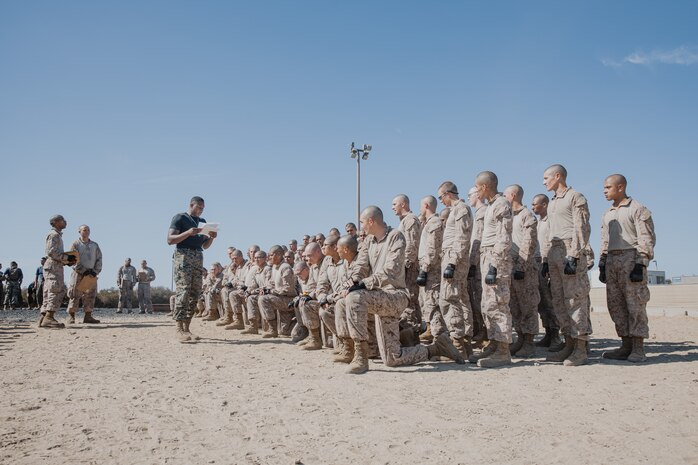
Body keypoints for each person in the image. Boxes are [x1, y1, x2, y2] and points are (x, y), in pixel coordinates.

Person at [340, 205, 464, 374]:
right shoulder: (368, 241)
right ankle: (436, 349)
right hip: (376, 296)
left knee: (355, 298)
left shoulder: (395, 237)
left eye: (362, 222)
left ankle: (361, 357)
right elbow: (361, 266)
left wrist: (364, 283)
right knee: (393, 358)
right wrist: (354, 280)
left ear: (371, 221)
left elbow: (391, 270)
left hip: (394, 296)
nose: (361, 226)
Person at [600, 174, 656, 363]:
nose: (605, 191)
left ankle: (638, 347)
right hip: (612, 261)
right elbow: (605, 240)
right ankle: (625, 345)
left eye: (608, 187)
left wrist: (641, 263)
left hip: (631, 259)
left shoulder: (637, 209)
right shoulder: (608, 213)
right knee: (616, 305)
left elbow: (646, 238)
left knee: (635, 305)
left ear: (621, 187)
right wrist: (602, 262)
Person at [541, 164, 593, 366]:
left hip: (569, 249)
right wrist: (545, 259)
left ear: (558, 176)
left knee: (575, 300)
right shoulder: (552, 203)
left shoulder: (575, 197)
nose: (544, 182)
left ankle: (580, 348)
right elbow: (549, 233)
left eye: (546, 178)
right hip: (554, 251)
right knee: (559, 301)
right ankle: (568, 344)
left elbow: (581, 227)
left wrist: (574, 255)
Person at [469, 171, 514, 368]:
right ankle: (494, 344)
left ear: (485, 187)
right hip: (487, 256)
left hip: (497, 259)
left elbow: (504, 237)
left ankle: (503, 351)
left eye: (477, 187)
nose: (476, 191)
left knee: (498, 304)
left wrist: (494, 265)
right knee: (488, 305)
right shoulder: (491, 206)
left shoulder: (502, 205)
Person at [167, 196, 217, 343]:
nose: (201, 210)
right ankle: (179, 329)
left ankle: (187, 328)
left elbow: (205, 246)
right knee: (183, 291)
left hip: (197, 256)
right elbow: (170, 239)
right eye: (199, 207)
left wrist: (212, 237)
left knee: (195, 292)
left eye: (203, 208)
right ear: (191, 205)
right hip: (183, 256)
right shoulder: (180, 218)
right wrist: (188, 232)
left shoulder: (202, 222)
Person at [437, 181, 474, 358]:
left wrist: (451, 262)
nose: (441, 200)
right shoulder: (456, 210)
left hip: (455, 258)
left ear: (447, 194)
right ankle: (464, 344)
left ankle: (458, 342)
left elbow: (462, 237)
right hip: (451, 257)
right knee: (459, 298)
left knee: (450, 299)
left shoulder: (461, 209)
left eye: (441, 197)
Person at [503, 185, 540, 358]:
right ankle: (520, 338)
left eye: (505, 195)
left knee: (528, 305)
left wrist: (521, 266)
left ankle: (529, 342)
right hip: (510, 266)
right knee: (515, 306)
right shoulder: (508, 216)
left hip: (523, 267)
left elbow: (529, 242)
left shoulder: (527, 216)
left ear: (513, 195)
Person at [415, 195, 450, 348]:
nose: (420, 209)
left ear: (427, 205)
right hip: (426, 268)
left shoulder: (435, 223)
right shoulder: (428, 223)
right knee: (427, 303)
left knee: (433, 303)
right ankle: (433, 334)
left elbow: (432, 249)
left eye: (421, 206)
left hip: (431, 270)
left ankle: (441, 341)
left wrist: (425, 269)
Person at [531, 194, 562, 349]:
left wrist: (548, 264)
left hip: (547, 263)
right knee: (541, 302)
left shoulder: (552, 221)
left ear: (544, 204)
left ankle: (556, 335)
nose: (532, 207)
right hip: (537, 263)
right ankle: (548, 333)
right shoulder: (537, 223)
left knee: (550, 302)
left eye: (535, 204)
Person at [39, 214, 76, 328]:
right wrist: (67, 258)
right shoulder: (54, 235)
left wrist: (67, 261)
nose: (65, 222)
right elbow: (52, 252)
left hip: (55, 266)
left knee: (49, 291)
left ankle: (44, 317)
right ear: (55, 222)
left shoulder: (57, 235)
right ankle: (49, 318)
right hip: (54, 267)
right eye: (62, 220)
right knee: (56, 290)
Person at [392, 194, 422, 326]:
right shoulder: (404, 221)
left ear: (403, 204)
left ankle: (412, 329)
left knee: (410, 298)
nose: (392, 207)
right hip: (405, 266)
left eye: (394, 204)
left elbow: (412, 244)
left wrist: (406, 265)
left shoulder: (410, 220)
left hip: (409, 267)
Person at [258, 245, 298, 338]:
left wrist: (272, 291)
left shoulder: (285, 267)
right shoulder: (275, 267)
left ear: (279, 255)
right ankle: (298, 323)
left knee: (263, 300)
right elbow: (272, 283)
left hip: (289, 300)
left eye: (271, 255)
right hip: (281, 298)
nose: (269, 257)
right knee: (284, 332)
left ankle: (272, 329)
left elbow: (288, 288)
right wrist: (265, 289)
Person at [67, 224, 103, 324]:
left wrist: (95, 271)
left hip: (91, 274)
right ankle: (71, 316)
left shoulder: (95, 245)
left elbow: (99, 258)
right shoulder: (75, 244)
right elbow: (72, 260)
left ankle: (88, 316)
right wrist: (82, 270)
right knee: (74, 294)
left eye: (88, 230)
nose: (86, 232)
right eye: (84, 230)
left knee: (90, 295)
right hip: (78, 273)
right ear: (79, 232)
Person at [467, 186, 487, 343]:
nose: (468, 198)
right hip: (476, 262)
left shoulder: (483, 212)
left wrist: (473, 262)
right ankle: (481, 330)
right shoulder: (477, 214)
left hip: (481, 262)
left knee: (483, 299)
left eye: (470, 195)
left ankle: (486, 333)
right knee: (476, 298)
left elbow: (478, 241)